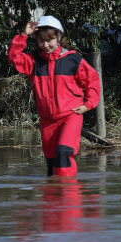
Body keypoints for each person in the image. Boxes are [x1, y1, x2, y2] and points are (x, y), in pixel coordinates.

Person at [8, 15, 101, 178]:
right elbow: (14, 57)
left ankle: (69, 198)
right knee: (51, 166)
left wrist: (88, 104)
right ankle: (53, 201)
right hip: (47, 121)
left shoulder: (72, 60)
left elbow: (92, 80)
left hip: (70, 116)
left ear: (59, 37)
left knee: (63, 154)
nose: (45, 44)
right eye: (41, 40)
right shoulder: (34, 61)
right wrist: (24, 34)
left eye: (50, 40)